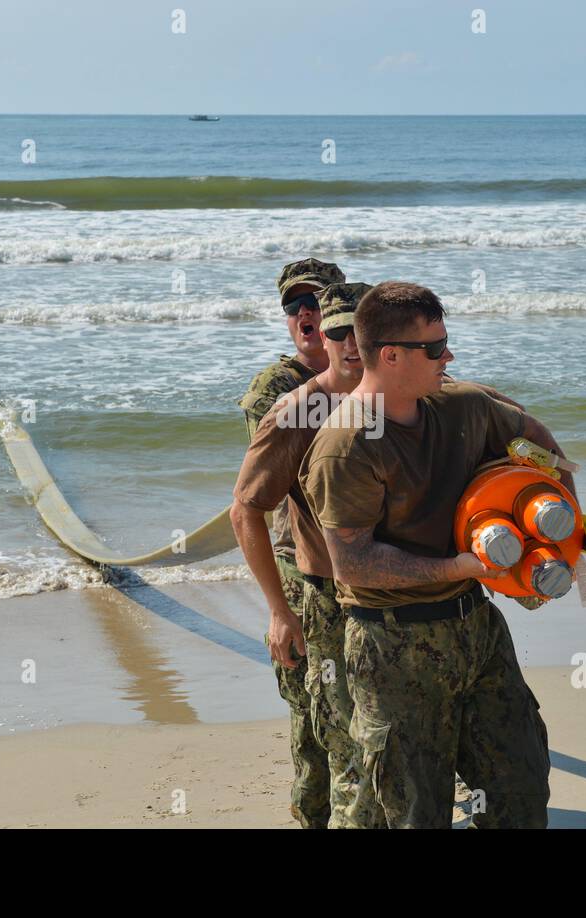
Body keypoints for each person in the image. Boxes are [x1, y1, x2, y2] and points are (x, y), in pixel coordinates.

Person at [300, 280, 575, 829]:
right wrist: (458, 567)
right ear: (391, 355)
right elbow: (352, 562)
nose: (448, 356)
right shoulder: (346, 444)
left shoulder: (465, 407)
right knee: (413, 811)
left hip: (477, 629)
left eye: (446, 342)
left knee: (519, 787)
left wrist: (563, 526)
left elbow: (537, 440)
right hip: (391, 644)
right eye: (434, 348)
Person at [232, 282, 383, 828]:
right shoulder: (285, 394)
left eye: (320, 306)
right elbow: (254, 497)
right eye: (296, 307)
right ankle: (314, 812)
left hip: (369, 578)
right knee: (316, 708)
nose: (308, 316)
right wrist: (279, 609)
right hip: (304, 566)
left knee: (365, 720)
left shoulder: (392, 386)